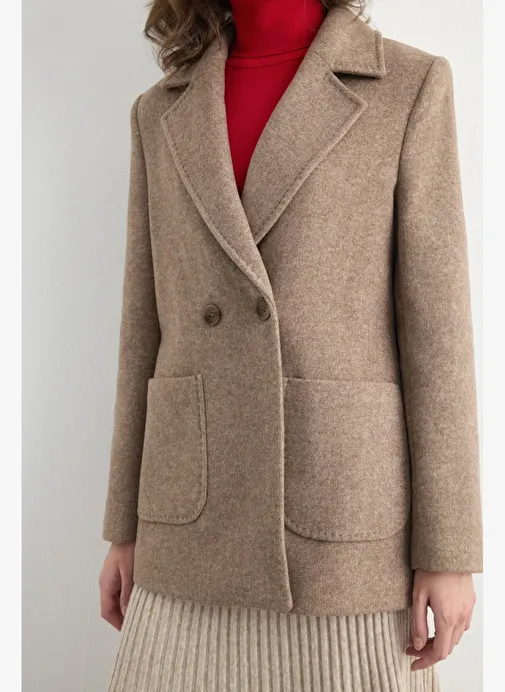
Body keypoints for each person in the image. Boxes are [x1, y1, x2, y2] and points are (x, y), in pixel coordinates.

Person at [99, 1, 483, 690]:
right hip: (187, 521)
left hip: (340, 522)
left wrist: (449, 550)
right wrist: (123, 526)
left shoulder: (407, 86)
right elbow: (142, 332)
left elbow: (438, 337)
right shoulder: (158, 111)